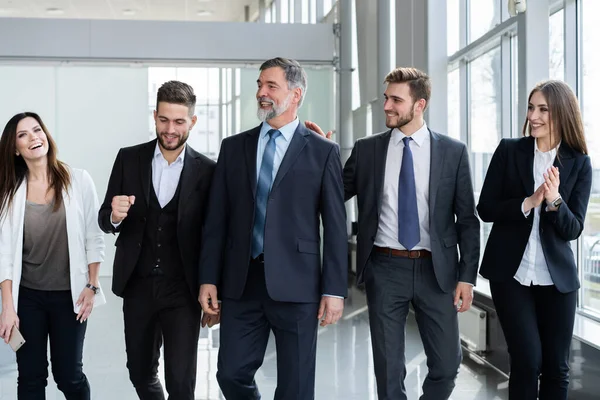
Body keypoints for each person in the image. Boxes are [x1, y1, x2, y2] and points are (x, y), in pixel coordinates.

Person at [307, 66, 480, 400]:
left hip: (436, 270)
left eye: (395, 100)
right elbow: (330, 194)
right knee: (388, 370)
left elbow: (468, 220)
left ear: (419, 105)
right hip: (385, 269)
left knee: (447, 364)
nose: (386, 106)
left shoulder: (452, 152)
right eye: (386, 98)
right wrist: (321, 154)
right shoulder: (367, 149)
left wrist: (467, 277)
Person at [198, 57, 348, 400]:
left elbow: (336, 226)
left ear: (295, 95)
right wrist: (209, 277)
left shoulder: (323, 151)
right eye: (259, 85)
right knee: (231, 374)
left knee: (296, 387)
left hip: (298, 285)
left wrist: (334, 290)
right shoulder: (233, 147)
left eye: (271, 86)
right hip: (241, 281)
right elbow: (216, 219)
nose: (261, 93)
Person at [98, 81, 216, 400]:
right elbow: (104, 216)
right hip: (137, 284)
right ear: (155, 116)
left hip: (183, 289)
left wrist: (212, 288)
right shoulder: (128, 159)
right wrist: (114, 216)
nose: (170, 129)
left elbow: (214, 236)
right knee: (140, 371)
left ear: (192, 121)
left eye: (179, 121)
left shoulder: (208, 171)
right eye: (164, 120)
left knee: (181, 381)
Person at [477, 80, 592, 399]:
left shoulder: (579, 162)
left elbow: (574, 229)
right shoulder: (509, 150)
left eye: (544, 109)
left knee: (557, 367)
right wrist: (527, 202)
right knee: (527, 361)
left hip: (557, 281)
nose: (534, 115)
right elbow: (485, 207)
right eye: (531, 107)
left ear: (563, 114)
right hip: (511, 275)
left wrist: (554, 199)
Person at [0, 112, 106, 399]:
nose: (34, 137)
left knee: (69, 376)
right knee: (31, 378)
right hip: (29, 297)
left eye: (37, 130)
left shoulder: (79, 180)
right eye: (23, 134)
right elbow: (4, 255)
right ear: (14, 147)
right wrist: (8, 307)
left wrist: (92, 285)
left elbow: (93, 238)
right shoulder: (9, 192)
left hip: (69, 297)